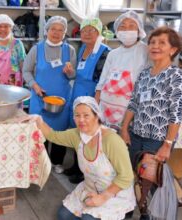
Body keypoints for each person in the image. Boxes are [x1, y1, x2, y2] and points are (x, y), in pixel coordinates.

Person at [36, 96, 135, 220]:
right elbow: (53, 135)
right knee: (63, 216)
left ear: (96, 116)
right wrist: (37, 120)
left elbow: (126, 176)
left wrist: (102, 197)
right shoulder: (76, 135)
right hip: (90, 188)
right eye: (77, 115)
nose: (81, 120)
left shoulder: (111, 140)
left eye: (86, 115)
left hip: (114, 193)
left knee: (87, 218)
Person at [120, 27, 182, 180]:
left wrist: (167, 144)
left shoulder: (176, 76)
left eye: (162, 43)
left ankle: (149, 204)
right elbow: (134, 103)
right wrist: (124, 128)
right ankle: (134, 202)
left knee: (148, 180)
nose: (155, 46)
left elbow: (176, 114)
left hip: (157, 140)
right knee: (132, 174)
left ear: (173, 49)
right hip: (136, 134)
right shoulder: (145, 73)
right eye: (152, 42)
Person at [23, 16, 76, 173]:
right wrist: (35, 85)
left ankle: (57, 162)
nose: (56, 33)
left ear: (64, 32)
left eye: (61, 30)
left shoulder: (70, 50)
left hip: (62, 99)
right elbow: (26, 71)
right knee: (40, 132)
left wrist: (70, 72)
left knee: (59, 133)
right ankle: (39, 162)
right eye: (53, 29)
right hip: (40, 99)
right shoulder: (36, 49)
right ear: (47, 30)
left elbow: (73, 76)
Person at [65, 18, 110, 183]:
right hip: (77, 96)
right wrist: (70, 72)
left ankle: (86, 173)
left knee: (88, 137)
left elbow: (103, 81)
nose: (87, 33)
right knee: (78, 135)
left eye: (92, 30)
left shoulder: (105, 52)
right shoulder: (83, 48)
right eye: (84, 30)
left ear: (99, 33)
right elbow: (78, 74)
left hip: (91, 99)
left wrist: (94, 105)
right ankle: (76, 166)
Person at [95, 11, 150, 131]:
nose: (126, 30)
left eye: (131, 26)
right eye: (122, 26)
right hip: (105, 109)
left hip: (127, 114)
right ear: (117, 31)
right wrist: (95, 108)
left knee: (122, 147)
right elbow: (101, 83)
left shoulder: (146, 51)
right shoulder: (113, 54)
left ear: (139, 30)